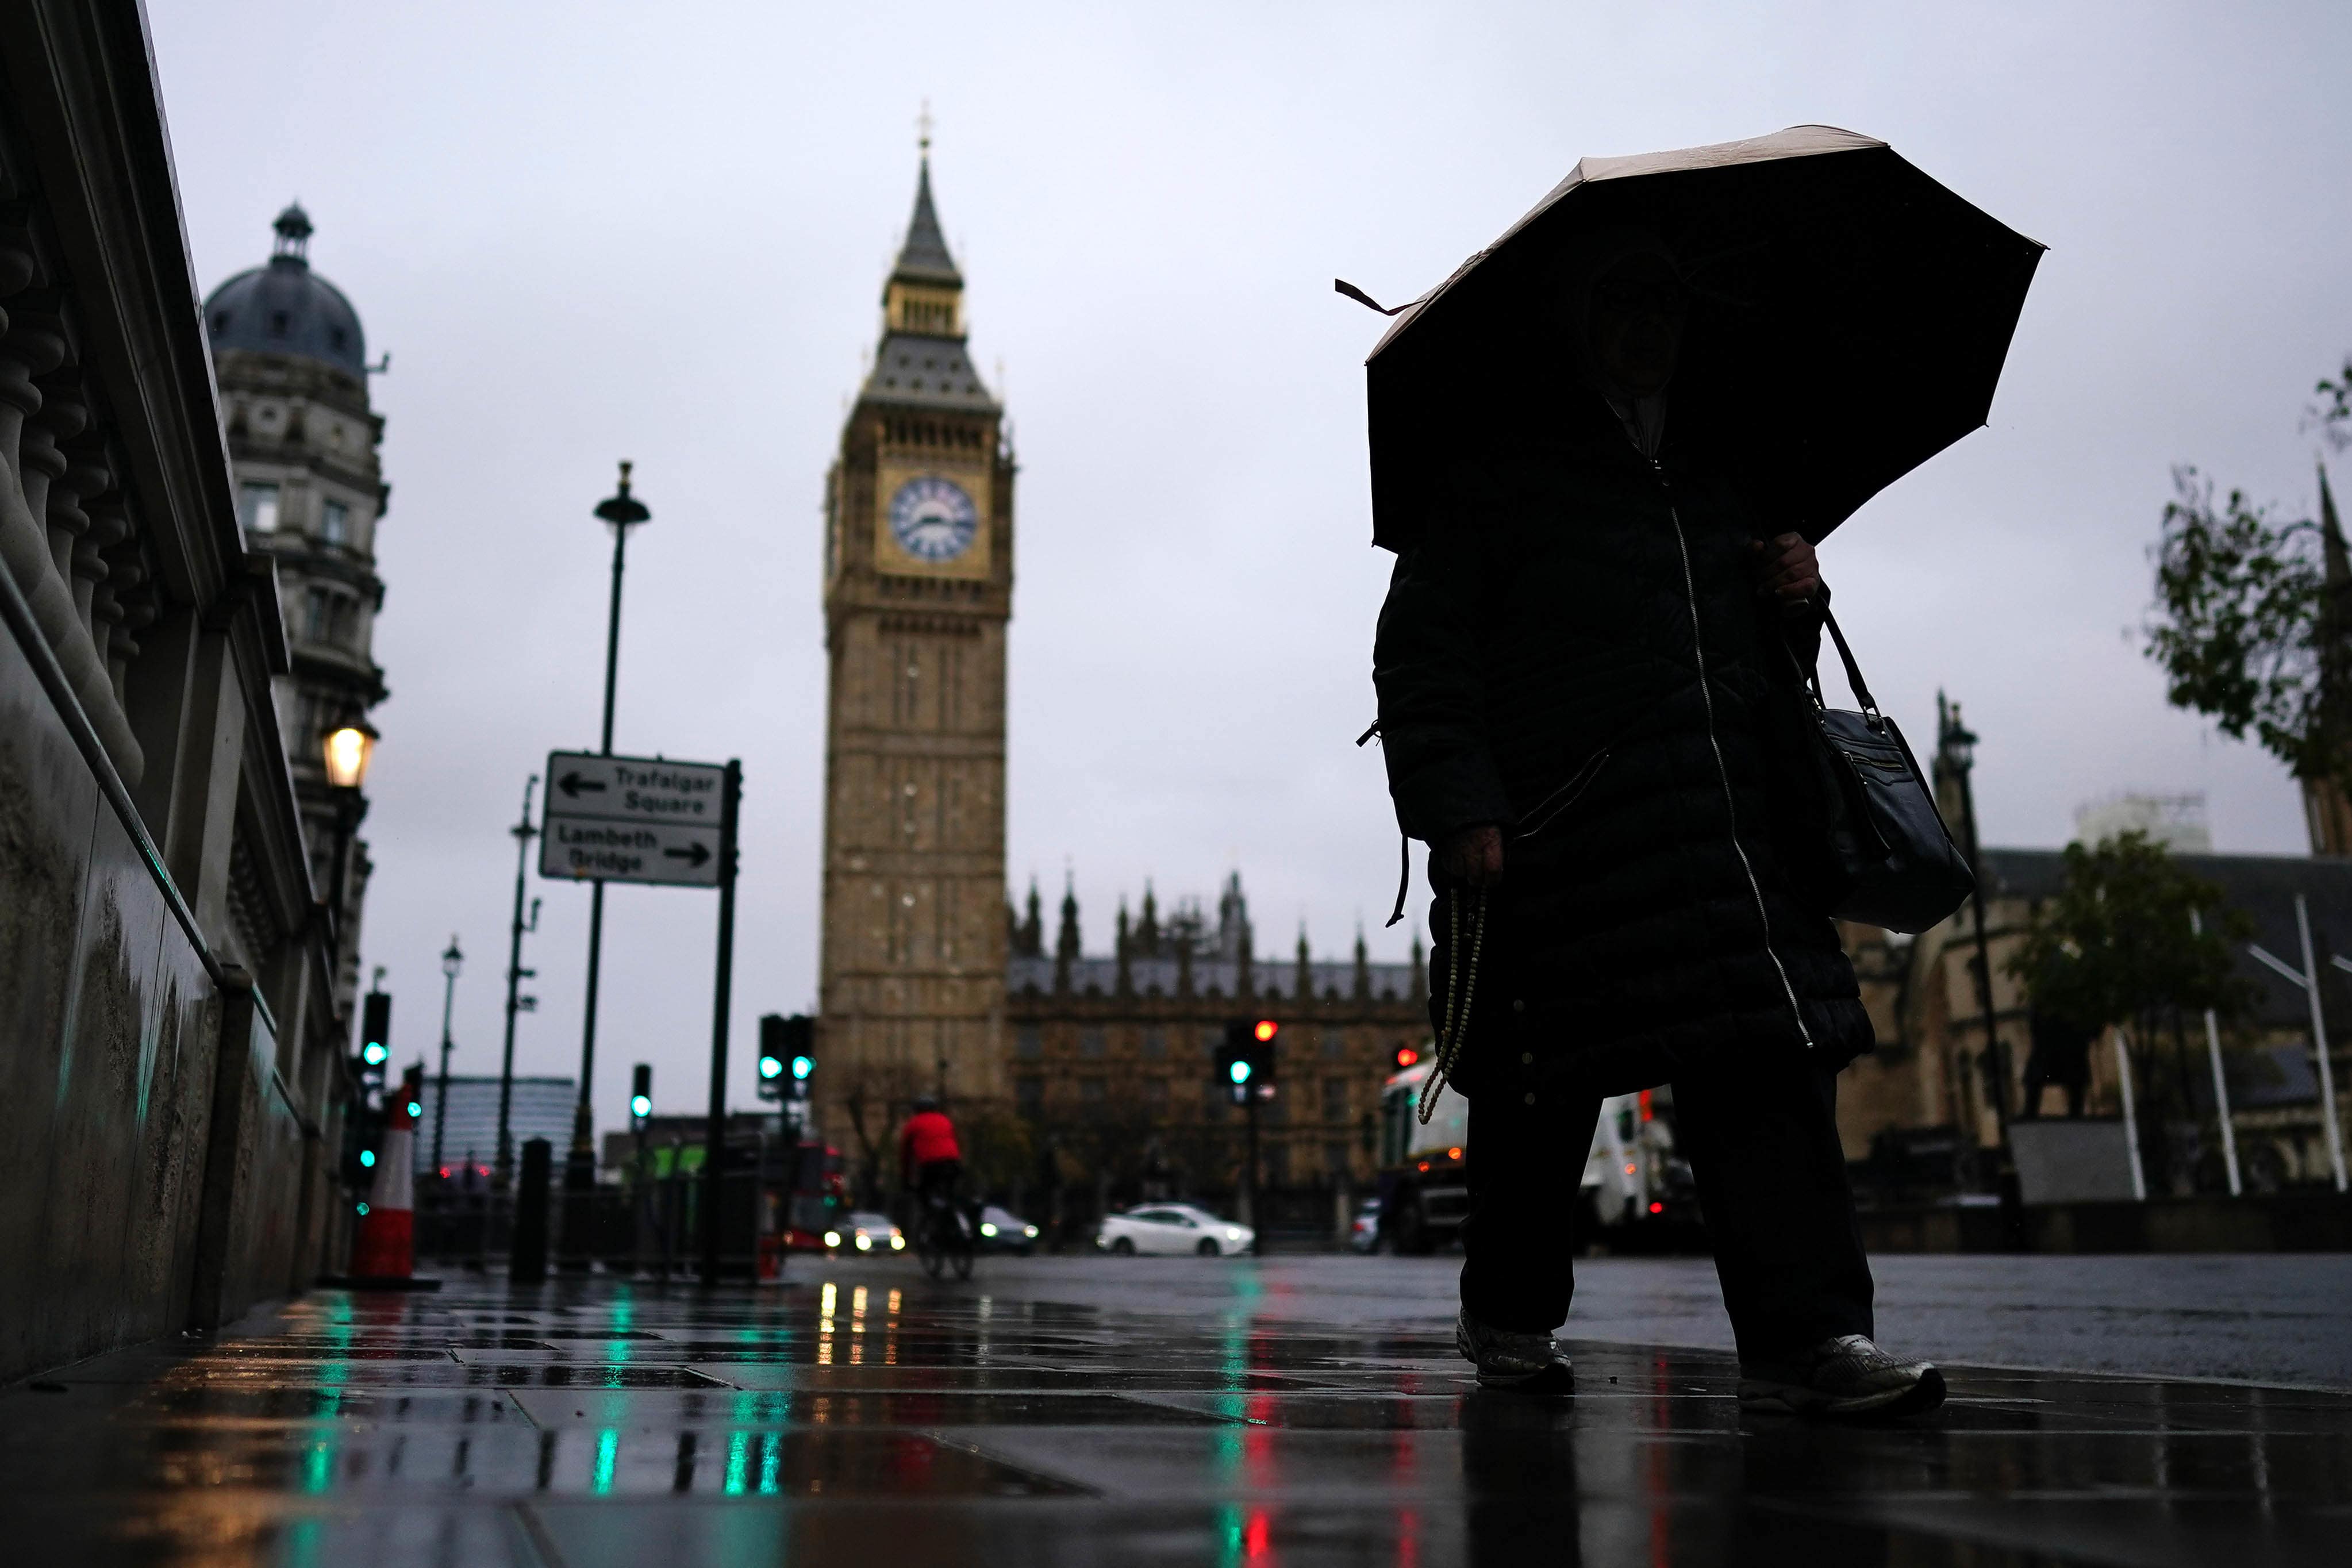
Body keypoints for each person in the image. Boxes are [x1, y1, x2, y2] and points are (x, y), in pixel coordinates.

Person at [1371, 232, 1945, 1418]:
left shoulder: (1726, 467)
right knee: (1539, 1089)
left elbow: (1748, 663)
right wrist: (1460, 806)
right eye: (1622, 299)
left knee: (1767, 1070)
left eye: (1667, 302)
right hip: (1560, 829)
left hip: (1730, 829)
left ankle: (1812, 1337)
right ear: (1579, 321)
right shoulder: (1496, 468)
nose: (1649, 323)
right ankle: (1512, 1310)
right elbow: (1422, 657)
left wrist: (1796, 597)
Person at [898, 1094, 963, 1213]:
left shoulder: (914, 1124)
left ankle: (932, 1217)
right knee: (951, 1193)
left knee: (924, 1193)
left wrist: (905, 1180)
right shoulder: (945, 1120)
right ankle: (955, 1215)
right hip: (952, 1162)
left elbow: (905, 1154)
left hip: (931, 1165)